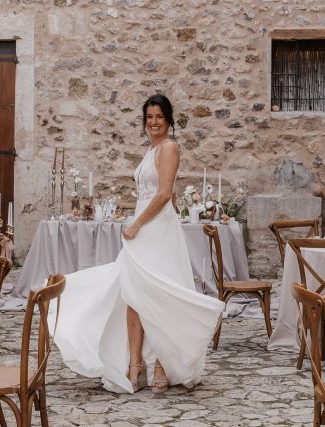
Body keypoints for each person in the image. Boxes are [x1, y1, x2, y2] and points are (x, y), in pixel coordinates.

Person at [54, 94, 224, 394]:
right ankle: (135, 362)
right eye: (149, 118)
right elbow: (153, 194)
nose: (154, 122)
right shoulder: (151, 150)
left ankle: (161, 362)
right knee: (133, 294)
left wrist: (136, 223)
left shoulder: (170, 147)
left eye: (159, 117)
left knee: (160, 294)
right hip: (147, 227)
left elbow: (163, 194)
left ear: (169, 120)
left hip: (156, 228)